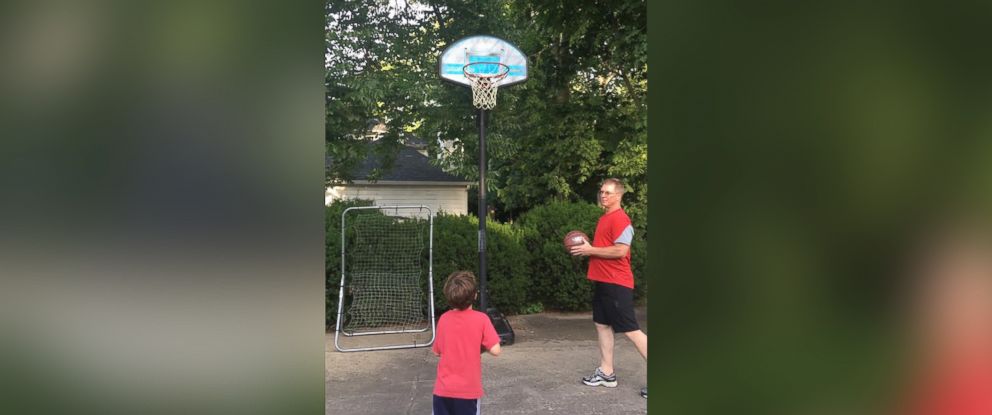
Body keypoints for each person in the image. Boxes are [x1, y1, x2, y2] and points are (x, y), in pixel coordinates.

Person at [570, 178, 648, 399]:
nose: (603, 195)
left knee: (632, 331)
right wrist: (590, 250)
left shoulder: (621, 219)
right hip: (604, 282)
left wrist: (590, 250)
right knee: (602, 325)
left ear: (618, 196)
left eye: (607, 193)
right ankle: (606, 373)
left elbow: (621, 251)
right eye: (601, 191)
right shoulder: (605, 217)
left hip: (617, 283)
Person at [432, 271, 502, 415]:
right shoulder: (481, 319)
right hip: (468, 392)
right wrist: (479, 346)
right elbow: (496, 350)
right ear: (475, 295)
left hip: (442, 390)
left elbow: (437, 352)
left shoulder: (444, 319)